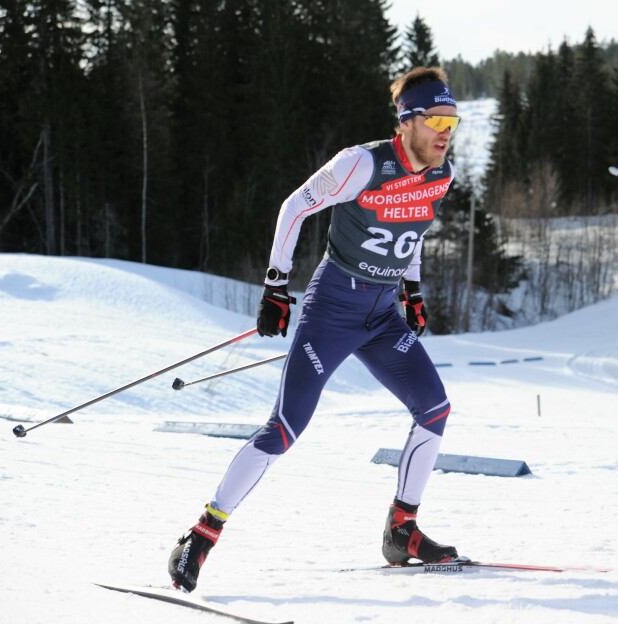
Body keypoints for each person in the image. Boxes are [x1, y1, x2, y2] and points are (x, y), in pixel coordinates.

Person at [167, 67, 462, 592]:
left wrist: (413, 291)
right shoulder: (361, 164)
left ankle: (401, 530)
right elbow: (294, 207)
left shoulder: (442, 175)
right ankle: (201, 535)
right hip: (332, 310)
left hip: (382, 314)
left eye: (452, 122)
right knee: (284, 428)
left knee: (434, 409)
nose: (446, 132)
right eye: (436, 120)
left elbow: (412, 229)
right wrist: (276, 286)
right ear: (408, 121)